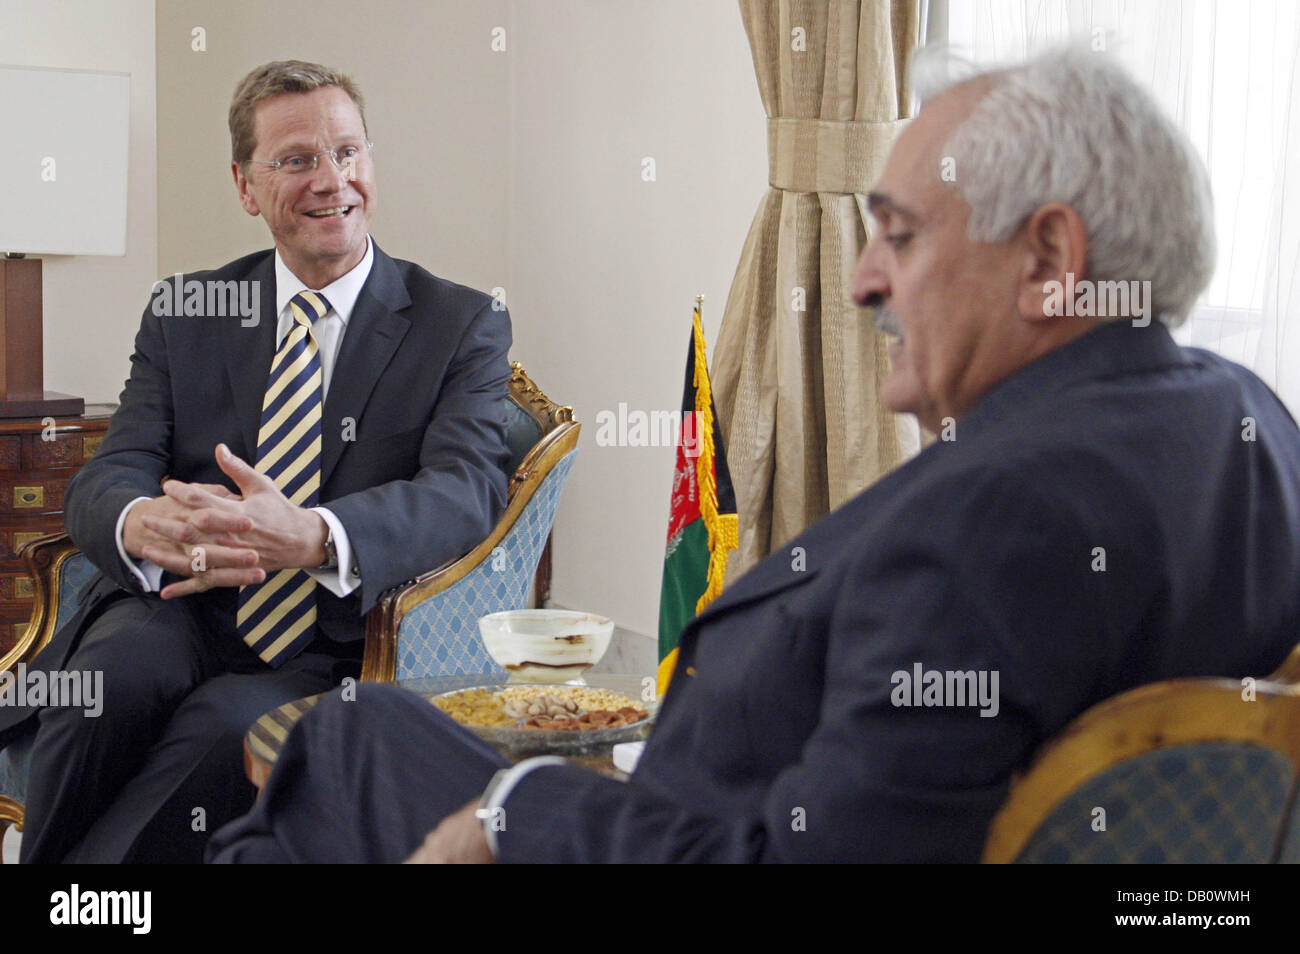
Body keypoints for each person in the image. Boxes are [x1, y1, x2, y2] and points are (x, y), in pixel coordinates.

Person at [208, 46, 1300, 864]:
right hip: (714, 792)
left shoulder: (994, 517)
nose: (864, 279)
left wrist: (515, 812)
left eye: (903, 235)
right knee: (362, 730)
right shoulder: (1249, 427)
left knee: (335, 755)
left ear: (1052, 257)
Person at [0, 60, 512, 863]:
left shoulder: (457, 323)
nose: (331, 180)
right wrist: (144, 522)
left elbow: (466, 489)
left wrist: (311, 535)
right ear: (245, 186)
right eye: (298, 159)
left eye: (348, 152)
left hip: (334, 639)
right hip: (180, 607)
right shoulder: (187, 312)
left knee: (224, 728)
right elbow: (110, 473)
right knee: (106, 683)